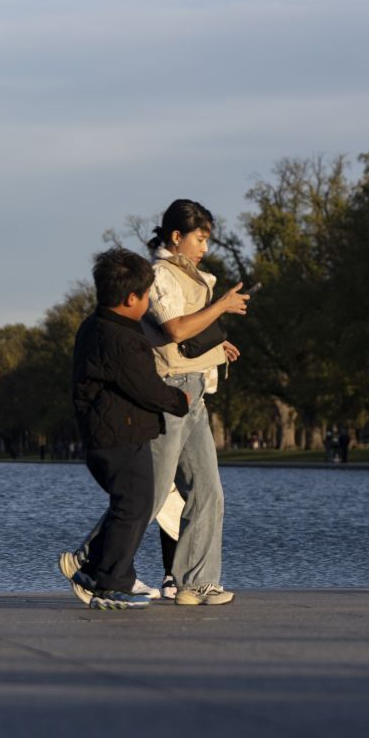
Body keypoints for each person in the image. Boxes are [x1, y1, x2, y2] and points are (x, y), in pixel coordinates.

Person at [58, 247, 192, 610]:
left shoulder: (94, 326)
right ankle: (113, 583)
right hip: (119, 435)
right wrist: (178, 400)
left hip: (106, 435)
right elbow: (144, 387)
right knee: (134, 505)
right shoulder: (123, 338)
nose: (149, 301)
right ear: (131, 298)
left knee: (132, 503)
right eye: (147, 295)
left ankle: (92, 569)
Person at [139, 200, 249, 606]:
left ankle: (194, 582)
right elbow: (173, 329)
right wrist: (221, 307)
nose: (204, 247)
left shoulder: (190, 276)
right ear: (176, 237)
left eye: (206, 239)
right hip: (172, 390)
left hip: (195, 390)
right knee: (150, 493)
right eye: (199, 239)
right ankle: (91, 562)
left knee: (208, 490)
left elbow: (191, 333)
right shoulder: (158, 275)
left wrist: (216, 344)